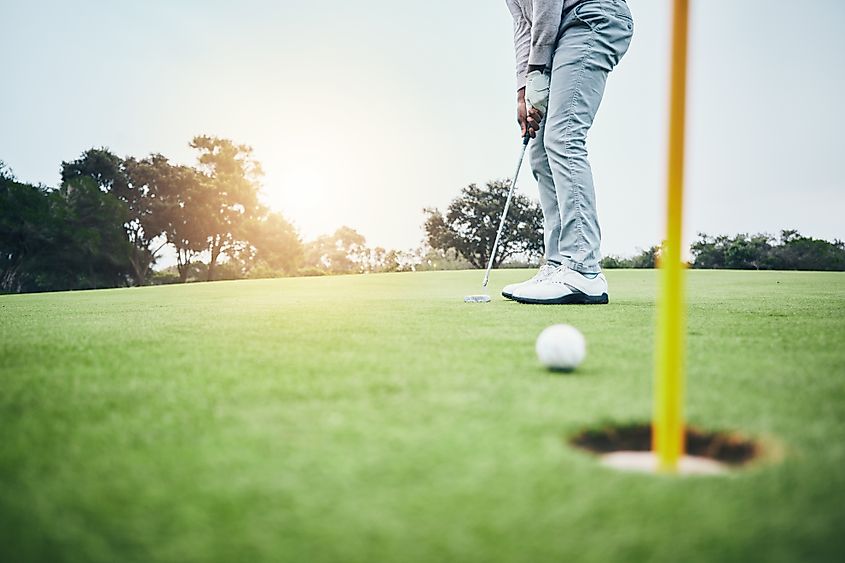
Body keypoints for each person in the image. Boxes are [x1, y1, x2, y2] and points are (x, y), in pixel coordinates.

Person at [501, 0, 633, 304]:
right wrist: (524, 89)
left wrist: (537, 69)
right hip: (559, 31)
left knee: (563, 135)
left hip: (591, 16)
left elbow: (546, 5)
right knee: (539, 148)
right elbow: (524, 25)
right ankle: (558, 263)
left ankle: (583, 268)